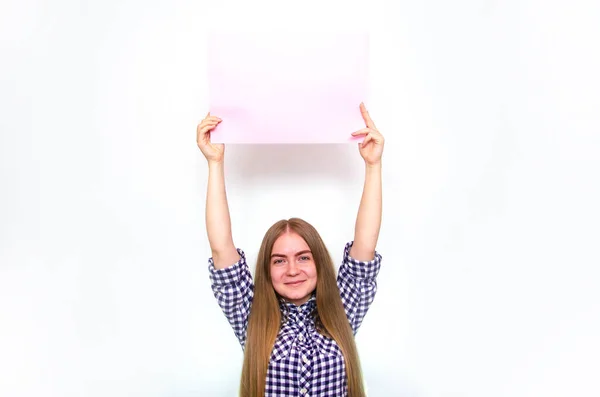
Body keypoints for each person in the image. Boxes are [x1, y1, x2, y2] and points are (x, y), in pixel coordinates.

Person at [197, 103, 384, 397]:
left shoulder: (342, 311)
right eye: (279, 260)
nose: (293, 270)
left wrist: (373, 166)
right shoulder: (252, 316)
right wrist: (215, 163)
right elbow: (221, 248)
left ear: (319, 263)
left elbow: (365, 243)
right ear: (267, 270)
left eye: (303, 257)